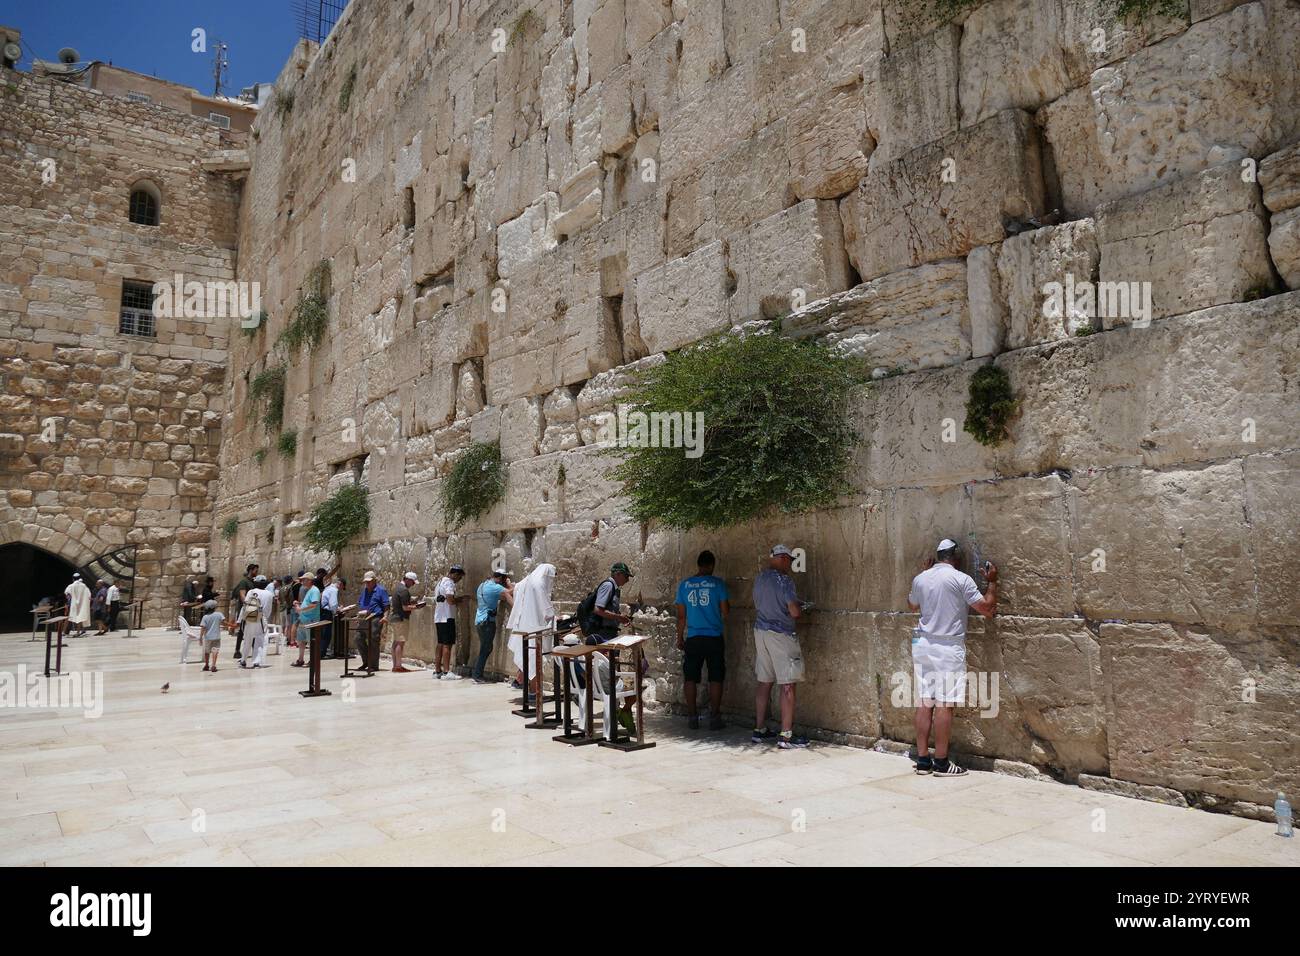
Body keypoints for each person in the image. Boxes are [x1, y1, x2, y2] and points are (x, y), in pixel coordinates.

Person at [906, 538, 998, 777]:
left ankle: (923, 760)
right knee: (945, 704)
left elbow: (911, 605)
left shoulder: (921, 577)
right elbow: (987, 609)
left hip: (922, 644)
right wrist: (992, 582)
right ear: (956, 557)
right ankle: (942, 762)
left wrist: (924, 576)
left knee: (926, 701)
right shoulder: (960, 578)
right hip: (947, 647)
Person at [752, 545, 809, 749]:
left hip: (761, 632)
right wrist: (799, 606)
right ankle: (786, 736)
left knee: (764, 681)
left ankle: (759, 729)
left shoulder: (760, 578)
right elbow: (794, 612)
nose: (791, 565)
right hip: (780, 634)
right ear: (783, 558)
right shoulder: (784, 581)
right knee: (787, 684)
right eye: (790, 561)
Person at [675, 550, 729, 730]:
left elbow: (681, 617)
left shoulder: (684, 585)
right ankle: (714, 717)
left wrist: (680, 637)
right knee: (716, 677)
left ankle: (692, 717)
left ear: (698, 565)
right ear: (711, 565)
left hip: (694, 637)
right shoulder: (718, 584)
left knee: (690, 678)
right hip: (714, 637)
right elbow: (726, 612)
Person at [584, 562, 638, 736]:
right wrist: (619, 618)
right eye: (626, 577)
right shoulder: (608, 585)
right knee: (611, 675)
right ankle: (617, 711)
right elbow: (598, 609)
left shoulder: (614, 588)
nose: (627, 581)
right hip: (604, 636)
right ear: (618, 574)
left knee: (613, 674)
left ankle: (617, 711)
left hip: (610, 635)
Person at [506, 564, 556, 699]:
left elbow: (514, 591)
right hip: (535, 628)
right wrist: (555, 617)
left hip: (523, 627)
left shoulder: (526, 581)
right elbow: (546, 610)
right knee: (535, 661)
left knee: (527, 658)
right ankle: (534, 692)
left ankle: (527, 685)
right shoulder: (538, 583)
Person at [472, 568, 513, 683]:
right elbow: (510, 592)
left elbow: (497, 596)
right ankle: (477, 674)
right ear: (500, 578)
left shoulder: (482, 585)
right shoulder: (496, 587)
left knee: (485, 647)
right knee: (486, 648)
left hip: (479, 621)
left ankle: (477, 672)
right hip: (487, 622)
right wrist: (509, 584)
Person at [432, 565, 465, 679]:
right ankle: (446, 672)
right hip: (447, 617)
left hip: (439, 617)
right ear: (455, 574)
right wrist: (460, 600)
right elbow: (450, 600)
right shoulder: (450, 583)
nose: (458, 580)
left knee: (440, 643)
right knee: (447, 644)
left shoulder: (440, 582)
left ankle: (437, 671)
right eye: (459, 577)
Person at [388, 571, 425, 673]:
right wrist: (417, 607)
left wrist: (412, 602)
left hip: (395, 617)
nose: (413, 585)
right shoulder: (404, 590)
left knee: (396, 642)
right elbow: (405, 608)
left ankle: (395, 665)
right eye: (412, 582)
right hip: (401, 618)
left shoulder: (397, 588)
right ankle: (398, 666)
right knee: (400, 642)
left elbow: (401, 603)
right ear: (408, 580)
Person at [355, 571, 389, 673]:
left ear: (374, 581)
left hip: (375, 617)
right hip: (364, 617)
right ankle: (366, 661)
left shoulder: (381, 590)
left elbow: (386, 605)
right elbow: (360, 604)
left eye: (369, 582)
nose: (367, 584)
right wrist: (358, 617)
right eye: (366, 582)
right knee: (358, 638)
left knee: (373, 640)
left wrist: (385, 616)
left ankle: (374, 665)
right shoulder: (364, 591)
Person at [239, 575, 273, 669]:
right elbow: (268, 609)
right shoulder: (269, 594)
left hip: (250, 617)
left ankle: (243, 660)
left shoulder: (251, 591)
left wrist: (241, 618)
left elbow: (245, 604)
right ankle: (256, 661)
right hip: (261, 618)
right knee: (260, 639)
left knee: (247, 639)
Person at [292, 572, 321, 668]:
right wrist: (299, 603)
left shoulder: (314, 590)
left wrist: (300, 609)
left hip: (310, 620)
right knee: (301, 641)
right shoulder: (309, 590)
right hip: (304, 620)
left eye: (304, 579)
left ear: (309, 580)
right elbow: (308, 603)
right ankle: (300, 659)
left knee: (311, 641)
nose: (302, 581)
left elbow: (314, 604)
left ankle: (312, 660)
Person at [233, 563, 258, 660]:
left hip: (252, 608)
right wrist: (248, 605)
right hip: (246, 608)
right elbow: (242, 594)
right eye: (256, 570)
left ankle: (253, 649)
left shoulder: (252, 582)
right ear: (251, 570)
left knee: (253, 629)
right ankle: (237, 650)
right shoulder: (244, 582)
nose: (257, 572)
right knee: (242, 630)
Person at [320, 574, 343, 659]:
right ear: (340, 584)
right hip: (327, 613)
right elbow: (333, 604)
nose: (341, 589)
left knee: (323, 632)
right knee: (327, 634)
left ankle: (322, 651)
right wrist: (337, 610)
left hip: (323, 612)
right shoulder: (334, 590)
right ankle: (322, 653)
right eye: (342, 587)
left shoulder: (328, 588)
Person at [199, 599, 224, 672]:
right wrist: (232, 625)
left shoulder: (205, 617)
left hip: (207, 637)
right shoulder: (219, 614)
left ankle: (206, 665)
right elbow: (224, 622)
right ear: (214, 607)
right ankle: (213, 665)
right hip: (216, 636)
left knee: (207, 652)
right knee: (215, 650)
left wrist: (200, 637)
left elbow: (203, 628)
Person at [64, 573, 91, 637]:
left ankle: (69, 632)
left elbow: (67, 593)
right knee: (80, 617)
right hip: (82, 604)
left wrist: (69, 600)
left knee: (73, 617)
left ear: (73, 579)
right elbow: (89, 595)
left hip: (74, 604)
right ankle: (78, 631)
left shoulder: (71, 586)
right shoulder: (84, 586)